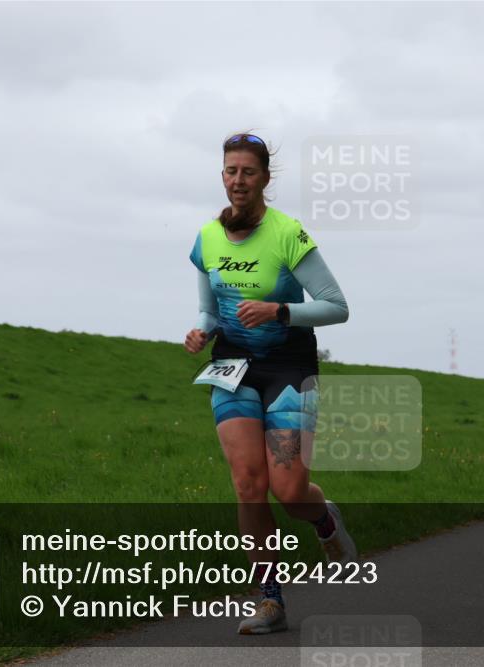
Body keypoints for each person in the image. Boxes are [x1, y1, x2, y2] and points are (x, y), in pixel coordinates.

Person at [185, 132, 355, 635]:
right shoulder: (207, 238)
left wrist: (280, 309)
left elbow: (337, 306)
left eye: (249, 172)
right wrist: (200, 331)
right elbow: (209, 309)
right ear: (222, 176)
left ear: (265, 179)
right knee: (248, 485)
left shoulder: (287, 234)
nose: (239, 181)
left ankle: (323, 518)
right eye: (231, 171)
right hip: (233, 370)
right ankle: (269, 600)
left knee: (288, 488)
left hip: (287, 371)